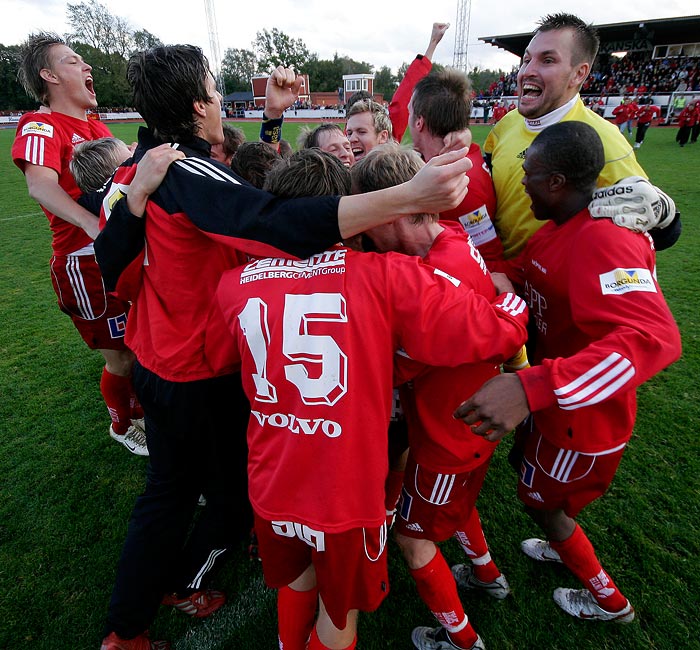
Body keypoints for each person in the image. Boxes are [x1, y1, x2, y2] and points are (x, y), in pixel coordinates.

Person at [95, 44, 472, 650]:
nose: (221, 102)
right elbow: (269, 216)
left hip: (154, 361)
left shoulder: (137, 171)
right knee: (229, 499)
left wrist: (137, 199)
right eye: (216, 93)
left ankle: (126, 627)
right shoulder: (184, 173)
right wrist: (406, 197)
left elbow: (111, 258)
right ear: (198, 105)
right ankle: (185, 585)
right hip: (201, 369)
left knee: (166, 491)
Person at [203, 147, 529, 650]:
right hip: (345, 495)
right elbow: (486, 330)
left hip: (272, 480)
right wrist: (509, 305)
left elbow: (220, 357)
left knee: (297, 581)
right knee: (341, 616)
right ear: (349, 213)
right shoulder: (384, 276)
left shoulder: (232, 284)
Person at [455, 120, 681, 624]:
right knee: (534, 486)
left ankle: (610, 602)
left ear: (555, 182)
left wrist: (530, 385)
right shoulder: (559, 229)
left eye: (528, 173)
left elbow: (653, 338)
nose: (521, 183)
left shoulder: (605, 241)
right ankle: (563, 539)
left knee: (541, 506)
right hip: (560, 412)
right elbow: (527, 274)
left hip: (584, 422)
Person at [352, 143, 513, 650]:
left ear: (394, 210)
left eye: (367, 213)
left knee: (412, 537)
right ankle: (487, 575)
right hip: (470, 428)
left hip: (448, 438)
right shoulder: (455, 236)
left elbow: (386, 366)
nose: (359, 229)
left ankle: (463, 640)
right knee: (461, 505)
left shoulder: (426, 286)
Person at [11, 32, 147, 456]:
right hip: (84, 263)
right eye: (73, 61)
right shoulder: (40, 124)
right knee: (120, 357)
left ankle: (141, 411)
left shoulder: (95, 126)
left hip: (117, 253)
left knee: (139, 344)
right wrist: (95, 225)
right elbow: (39, 185)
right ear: (48, 75)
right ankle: (123, 425)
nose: (87, 67)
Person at [483, 13, 680, 260]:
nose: (527, 71)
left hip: (552, 288)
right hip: (496, 279)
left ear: (579, 74)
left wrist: (666, 215)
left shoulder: (602, 139)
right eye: (526, 60)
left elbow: (653, 227)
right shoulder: (506, 124)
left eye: (547, 61)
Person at [406, 68, 504, 266]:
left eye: (410, 112)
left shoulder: (463, 181)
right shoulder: (461, 156)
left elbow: (487, 260)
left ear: (419, 122)